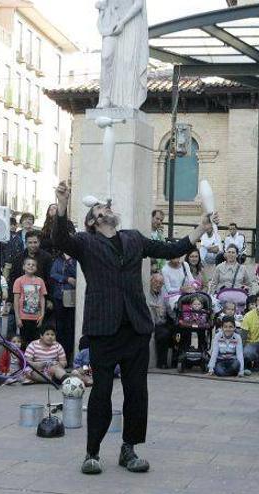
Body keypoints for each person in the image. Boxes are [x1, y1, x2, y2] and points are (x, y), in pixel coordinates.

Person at [52, 181, 217, 475]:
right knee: (101, 391)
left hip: (136, 327)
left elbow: (172, 249)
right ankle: (92, 453)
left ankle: (129, 449)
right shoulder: (86, 243)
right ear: (93, 221)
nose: (108, 208)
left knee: (137, 392)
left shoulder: (133, 238)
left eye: (107, 206)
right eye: (101, 208)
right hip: (104, 328)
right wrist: (62, 204)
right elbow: (60, 239)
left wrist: (201, 229)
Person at [13, 257, 47, 346]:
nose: (31, 266)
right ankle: (24, 360)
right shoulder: (19, 281)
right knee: (24, 342)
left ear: (36, 268)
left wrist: (42, 315)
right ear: (23, 267)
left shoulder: (40, 281)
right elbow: (16, 300)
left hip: (36, 317)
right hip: (23, 317)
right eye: (28, 264)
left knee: (36, 343)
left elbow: (42, 298)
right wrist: (17, 317)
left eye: (33, 265)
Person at [50, 252, 77, 361]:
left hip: (72, 297)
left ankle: (69, 355)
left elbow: (77, 274)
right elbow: (53, 274)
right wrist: (66, 279)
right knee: (60, 327)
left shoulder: (76, 260)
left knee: (70, 327)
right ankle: (60, 355)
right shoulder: (58, 259)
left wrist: (70, 263)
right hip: (59, 296)